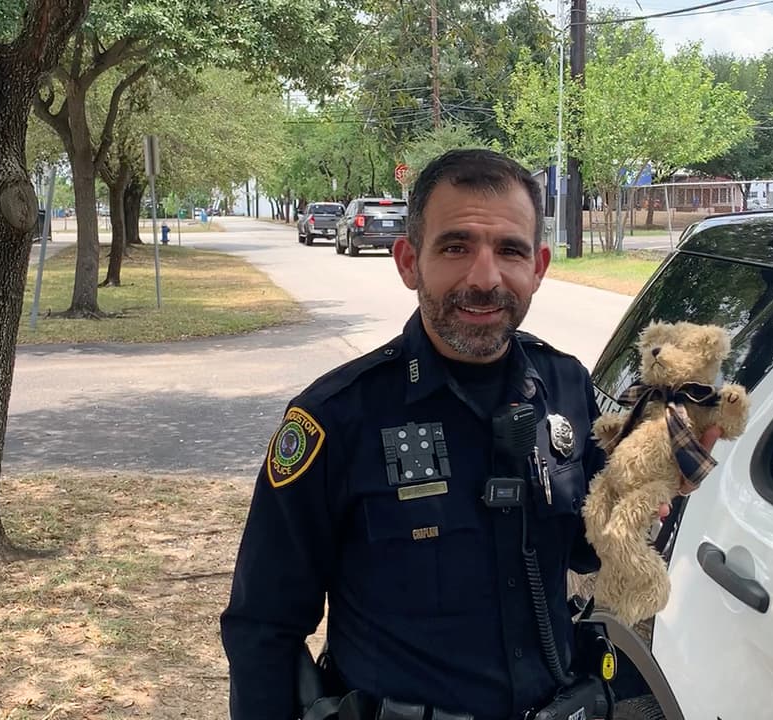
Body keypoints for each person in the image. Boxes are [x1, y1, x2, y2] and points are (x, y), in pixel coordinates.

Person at [219, 148, 719, 720]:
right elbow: (264, 626)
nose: (485, 279)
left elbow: (584, 545)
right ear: (408, 261)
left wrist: (648, 490)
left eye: (510, 251)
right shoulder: (335, 419)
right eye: (456, 247)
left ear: (539, 267)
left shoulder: (564, 384)